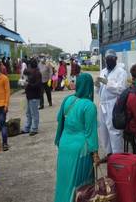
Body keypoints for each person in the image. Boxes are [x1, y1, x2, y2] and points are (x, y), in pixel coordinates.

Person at [54, 73, 99, 202]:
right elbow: (91, 133)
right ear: (89, 87)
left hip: (64, 145)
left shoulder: (68, 99)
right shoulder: (89, 106)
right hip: (80, 149)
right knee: (81, 186)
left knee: (64, 182)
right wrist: (95, 152)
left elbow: (59, 119)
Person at [97, 49, 128, 161]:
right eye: (107, 59)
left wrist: (107, 83)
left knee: (114, 131)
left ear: (116, 59)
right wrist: (97, 85)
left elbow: (121, 89)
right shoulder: (103, 71)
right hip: (102, 104)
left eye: (111, 58)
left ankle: (117, 156)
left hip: (113, 104)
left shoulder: (121, 72)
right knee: (103, 130)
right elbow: (99, 88)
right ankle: (109, 153)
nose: (109, 60)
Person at [22, 58, 42, 136]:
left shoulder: (37, 73)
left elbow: (38, 85)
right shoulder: (31, 72)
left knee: (34, 113)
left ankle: (34, 128)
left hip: (34, 95)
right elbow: (24, 71)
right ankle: (27, 127)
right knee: (28, 113)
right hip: (29, 95)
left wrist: (29, 84)